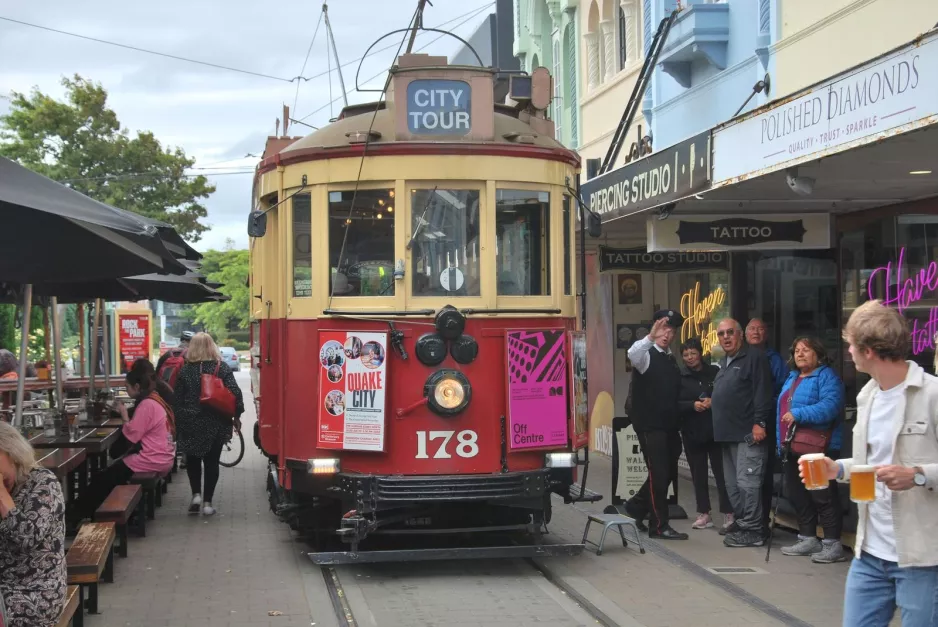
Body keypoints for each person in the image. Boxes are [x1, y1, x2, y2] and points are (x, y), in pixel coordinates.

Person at [806, 301, 938, 626]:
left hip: (922, 557)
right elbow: (873, 465)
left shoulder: (932, 394)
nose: (847, 351)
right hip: (869, 554)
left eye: (850, 344)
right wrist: (837, 469)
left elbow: (911, 472)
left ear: (867, 350)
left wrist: (918, 475)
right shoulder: (868, 397)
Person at [68, 359, 176, 526]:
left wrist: (124, 415)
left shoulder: (147, 404)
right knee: (106, 476)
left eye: (127, 387)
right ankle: (82, 512)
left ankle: (76, 515)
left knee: (103, 479)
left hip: (152, 458)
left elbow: (132, 435)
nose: (125, 390)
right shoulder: (153, 399)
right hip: (162, 455)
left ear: (137, 387)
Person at [776, 336, 846, 564]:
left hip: (818, 448)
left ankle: (832, 543)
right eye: (797, 350)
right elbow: (782, 412)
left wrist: (800, 414)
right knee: (799, 495)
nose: (800, 354)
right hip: (793, 445)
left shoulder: (826, 377)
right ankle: (807, 537)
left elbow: (831, 407)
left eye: (806, 350)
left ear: (818, 353)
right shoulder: (792, 377)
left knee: (822, 496)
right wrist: (781, 443)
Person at [623, 311, 688, 540]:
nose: (666, 335)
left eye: (671, 331)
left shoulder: (669, 358)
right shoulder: (646, 353)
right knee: (659, 474)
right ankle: (659, 526)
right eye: (662, 329)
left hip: (669, 426)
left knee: (666, 473)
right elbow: (632, 354)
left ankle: (635, 507)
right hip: (651, 426)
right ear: (654, 329)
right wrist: (650, 337)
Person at [711, 318, 774, 547]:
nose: (725, 337)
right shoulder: (725, 361)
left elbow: (762, 391)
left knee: (748, 484)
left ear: (740, 335)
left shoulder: (754, 357)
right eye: (721, 334)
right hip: (727, 436)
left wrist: (760, 423)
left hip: (747, 434)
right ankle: (743, 523)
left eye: (730, 332)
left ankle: (754, 530)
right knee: (733, 486)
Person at [0, 422, 66, 627]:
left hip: (37, 593)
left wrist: (1, 496)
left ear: (12, 453)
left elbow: (26, 539)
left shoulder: (43, 483)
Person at [173, 332, 244, 517]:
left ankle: (195, 494)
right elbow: (236, 393)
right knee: (212, 463)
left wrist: (180, 421)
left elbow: (177, 399)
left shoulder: (185, 371)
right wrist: (237, 415)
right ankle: (207, 503)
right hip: (216, 422)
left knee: (193, 461)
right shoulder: (222, 368)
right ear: (212, 346)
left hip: (190, 422)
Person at [677, 338, 732, 531]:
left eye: (693, 353)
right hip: (692, 431)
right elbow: (674, 403)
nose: (690, 358)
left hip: (715, 431)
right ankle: (704, 514)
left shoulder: (714, 373)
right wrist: (692, 405)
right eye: (685, 355)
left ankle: (728, 513)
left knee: (722, 474)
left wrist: (712, 400)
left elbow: (725, 395)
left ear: (700, 353)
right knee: (698, 475)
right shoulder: (680, 376)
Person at [746, 318, 789, 535]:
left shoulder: (774, 359)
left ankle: (762, 520)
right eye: (752, 328)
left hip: (768, 420)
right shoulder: (740, 356)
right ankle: (746, 517)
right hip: (743, 421)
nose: (756, 332)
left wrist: (765, 408)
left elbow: (782, 389)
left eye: (761, 329)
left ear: (767, 334)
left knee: (764, 470)